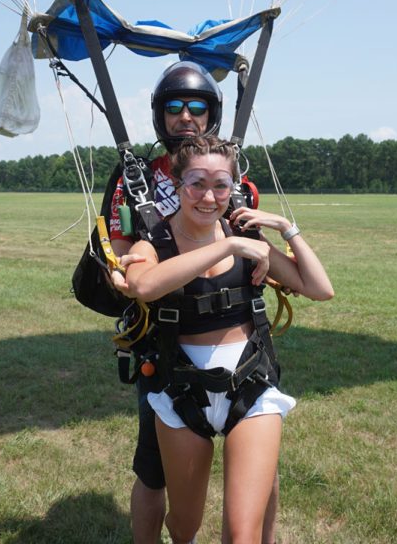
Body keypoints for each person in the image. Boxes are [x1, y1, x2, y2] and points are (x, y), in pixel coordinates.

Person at [123, 135, 334, 543]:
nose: (209, 196)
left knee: (243, 534)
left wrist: (286, 228)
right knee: (184, 527)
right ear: (177, 183)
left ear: (233, 186)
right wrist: (231, 244)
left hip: (250, 388)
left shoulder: (251, 239)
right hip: (184, 395)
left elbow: (320, 288)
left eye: (221, 184)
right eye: (197, 183)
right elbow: (144, 286)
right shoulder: (156, 243)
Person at [107, 62, 279, 543]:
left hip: (234, 332)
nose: (186, 117)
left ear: (212, 115)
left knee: (262, 470)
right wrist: (132, 267)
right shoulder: (132, 181)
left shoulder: (233, 179)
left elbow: (251, 243)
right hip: (164, 339)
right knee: (155, 469)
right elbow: (119, 254)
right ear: (160, 115)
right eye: (175, 107)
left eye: (197, 107)